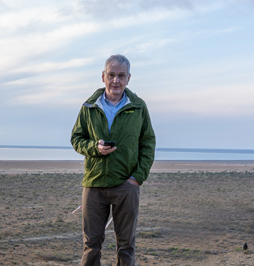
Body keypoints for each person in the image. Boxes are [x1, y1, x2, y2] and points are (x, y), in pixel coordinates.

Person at [71, 54, 156, 266]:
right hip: (94, 184)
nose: (115, 81)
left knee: (126, 245)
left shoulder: (138, 107)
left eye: (121, 76)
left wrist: (137, 177)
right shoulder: (89, 106)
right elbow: (76, 138)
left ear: (128, 78)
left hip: (126, 185)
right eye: (111, 75)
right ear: (103, 77)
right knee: (91, 245)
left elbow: (148, 143)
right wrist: (95, 148)